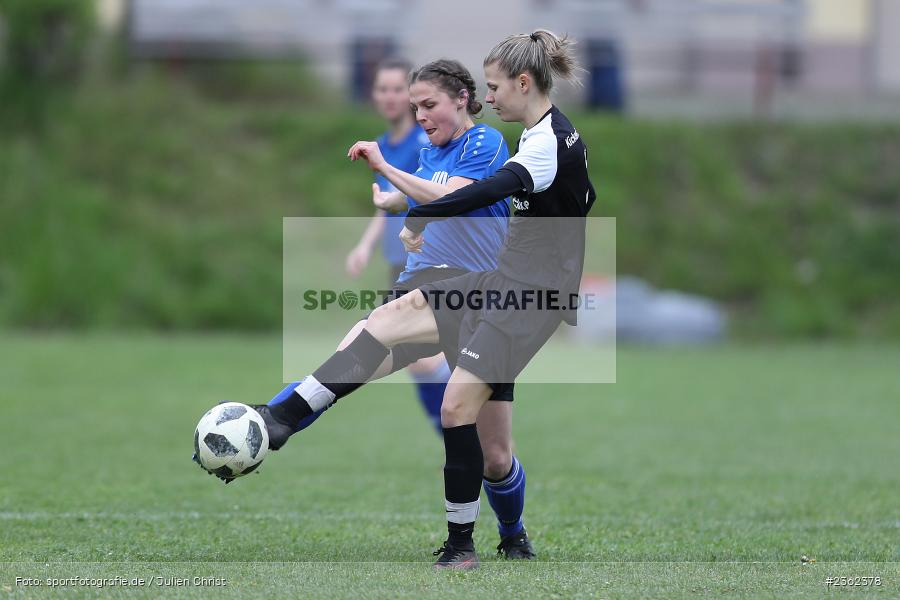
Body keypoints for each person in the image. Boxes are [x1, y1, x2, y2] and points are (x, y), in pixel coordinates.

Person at [254, 58, 537, 559]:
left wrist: (389, 172)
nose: (421, 116)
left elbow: (455, 197)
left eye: (430, 105)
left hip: (482, 299)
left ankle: (513, 534)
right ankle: (268, 425)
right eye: (415, 107)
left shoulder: (486, 144)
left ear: (463, 100)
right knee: (355, 350)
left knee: (496, 457)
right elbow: (429, 202)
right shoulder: (429, 151)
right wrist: (398, 209)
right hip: (427, 288)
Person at [344, 58, 447, 434]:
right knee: (421, 362)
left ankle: (468, 438)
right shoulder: (384, 144)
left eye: (397, 89)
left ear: (414, 96)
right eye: (381, 89)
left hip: (426, 266)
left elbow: (436, 199)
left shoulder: (426, 143)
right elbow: (388, 204)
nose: (389, 96)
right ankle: (470, 436)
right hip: (398, 265)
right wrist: (365, 246)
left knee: (418, 359)